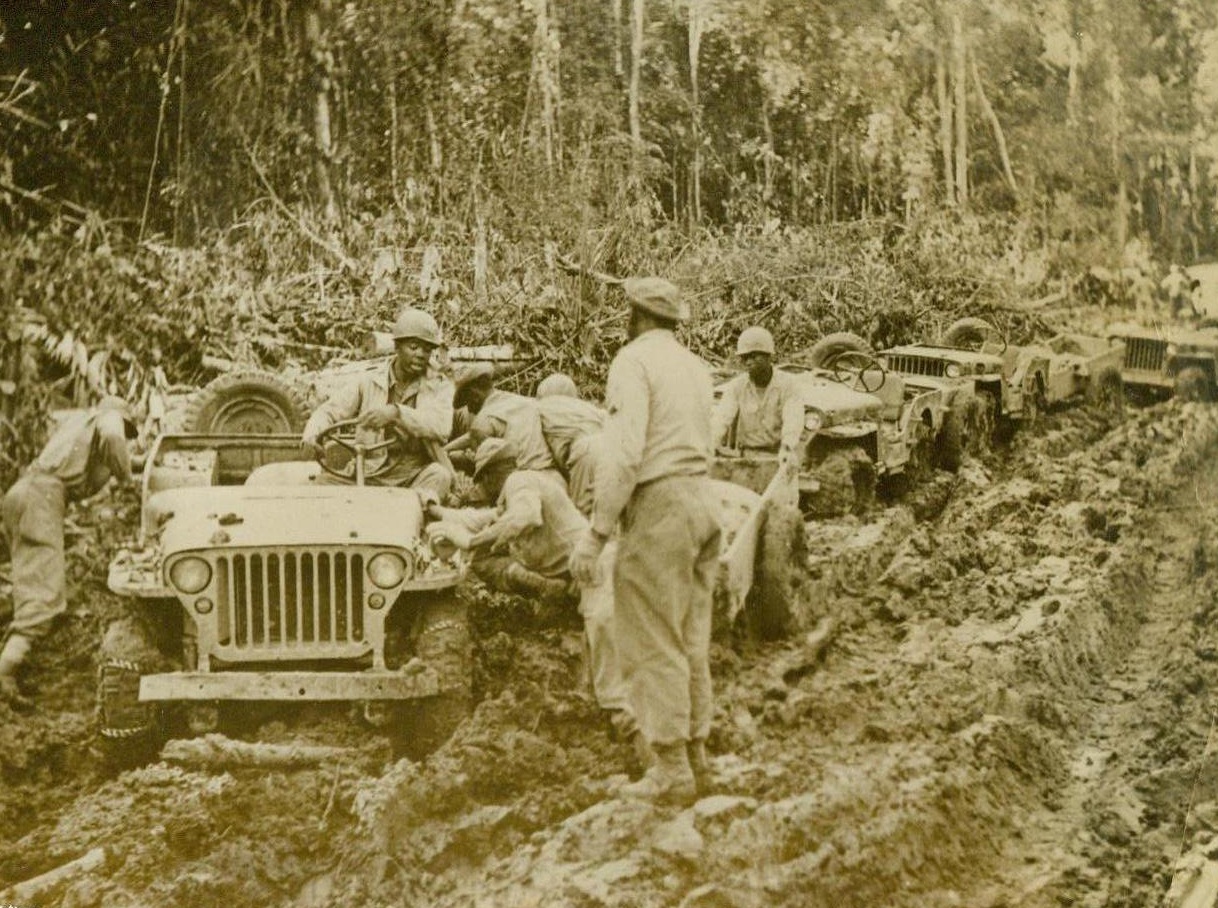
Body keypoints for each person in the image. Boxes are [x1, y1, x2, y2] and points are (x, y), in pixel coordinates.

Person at [569, 276, 722, 805]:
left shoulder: (633, 362)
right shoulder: (696, 368)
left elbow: (624, 454)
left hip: (660, 507)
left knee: (652, 639)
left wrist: (595, 534)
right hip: (703, 499)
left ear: (634, 318)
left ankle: (670, 768)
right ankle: (697, 756)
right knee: (691, 637)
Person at [428, 438, 644, 762]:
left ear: (495, 474)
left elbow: (524, 518)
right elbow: (481, 517)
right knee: (599, 672)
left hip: (599, 573)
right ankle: (620, 752)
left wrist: (470, 541)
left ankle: (654, 760)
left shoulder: (521, 483)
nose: (480, 485)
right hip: (588, 578)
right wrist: (432, 509)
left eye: (483, 478)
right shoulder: (513, 495)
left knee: (614, 676)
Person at [1, 396, 139, 705]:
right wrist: (128, 480)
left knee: (28, 580)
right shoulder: (107, 420)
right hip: (41, 500)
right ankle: (5, 672)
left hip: (25, 493)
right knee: (45, 594)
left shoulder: (77, 424)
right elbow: (114, 435)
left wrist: (133, 465)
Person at [301, 306, 454, 501]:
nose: (420, 355)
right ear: (397, 347)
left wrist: (396, 413)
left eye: (426, 350)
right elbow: (329, 411)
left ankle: (412, 523)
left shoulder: (438, 385)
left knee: (440, 476)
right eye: (414, 347)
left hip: (411, 475)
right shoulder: (368, 381)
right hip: (365, 473)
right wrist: (312, 435)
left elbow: (440, 427)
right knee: (316, 488)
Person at [447, 366, 557, 475]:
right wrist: (445, 449)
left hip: (523, 477)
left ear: (474, 396)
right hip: (553, 473)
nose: (470, 411)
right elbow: (471, 436)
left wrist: (451, 458)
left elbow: (482, 465)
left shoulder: (484, 418)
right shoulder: (522, 401)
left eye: (468, 404)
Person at [713, 326, 804, 458]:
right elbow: (722, 418)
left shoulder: (788, 385)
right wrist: (711, 442)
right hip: (746, 455)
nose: (749, 362)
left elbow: (793, 419)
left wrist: (787, 447)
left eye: (754, 357)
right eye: (745, 358)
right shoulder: (737, 387)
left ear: (768, 357)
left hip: (778, 455)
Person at [534, 373, 606, 516]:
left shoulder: (539, 409)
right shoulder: (588, 407)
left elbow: (540, 458)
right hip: (615, 446)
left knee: (581, 519)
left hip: (586, 452)